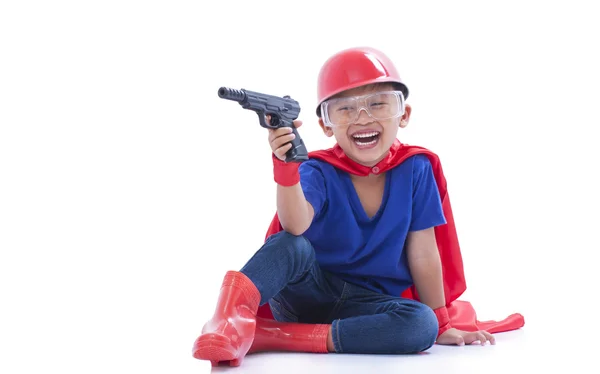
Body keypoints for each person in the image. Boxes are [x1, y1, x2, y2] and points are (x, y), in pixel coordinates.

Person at [192, 47, 524, 367]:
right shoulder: (317, 170)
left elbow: (423, 251)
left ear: (403, 114)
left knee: (421, 325)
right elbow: (294, 226)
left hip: (367, 307)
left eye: (379, 103)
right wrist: (286, 168)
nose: (361, 117)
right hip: (307, 292)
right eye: (345, 108)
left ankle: (271, 336)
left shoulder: (416, 168)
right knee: (290, 245)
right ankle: (227, 320)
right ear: (326, 124)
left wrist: (441, 321)